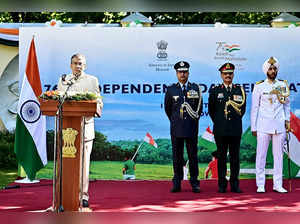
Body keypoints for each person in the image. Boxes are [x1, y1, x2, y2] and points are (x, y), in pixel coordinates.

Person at [57, 53, 103, 207]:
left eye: (80, 63)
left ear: (85, 66)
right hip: (67, 131)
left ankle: (83, 196)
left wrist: (93, 106)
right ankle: (64, 195)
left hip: (85, 128)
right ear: (70, 65)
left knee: (84, 165)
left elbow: (99, 102)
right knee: (66, 164)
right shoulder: (64, 80)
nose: (78, 66)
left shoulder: (92, 80)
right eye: (75, 63)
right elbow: (58, 102)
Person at [251, 56, 290, 193]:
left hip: (279, 125)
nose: (272, 71)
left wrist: (287, 121)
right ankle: (260, 184)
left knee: (278, 156)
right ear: (266, 71)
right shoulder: (259, 86)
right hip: (263, 125)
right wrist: (254, 126)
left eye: (274, 68)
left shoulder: (282, 85)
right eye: (270, 68)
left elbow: (286, 105)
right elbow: (255, 108)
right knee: (261, 155)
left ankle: (277, 184)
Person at [164, 61, 203, 193]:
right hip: (176, 128)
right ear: (176, 73)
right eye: (180, 72)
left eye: (185, 72)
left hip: (191, 127)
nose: (182, 74)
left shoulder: (195, 88)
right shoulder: (171, 90)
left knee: (193, 156)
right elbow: (168, 110)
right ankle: (177, 182)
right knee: (177, 156)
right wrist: (176, 121)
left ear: (188, 73)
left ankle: (194, 182)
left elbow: (199, 108)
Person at [208, 62, 246, 193]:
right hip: (220, 130)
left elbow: (242, 109)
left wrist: (232, 123)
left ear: (233, 74)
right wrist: (220, 123)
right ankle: (222, 185)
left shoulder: (239, 90)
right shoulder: (215, 91)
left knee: (235, 158)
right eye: (225, 74)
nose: (228, 76)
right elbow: (211, 110)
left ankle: (235, 184)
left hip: (235, 129)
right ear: (221, 75)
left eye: (230, 73)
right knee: (222, 158)